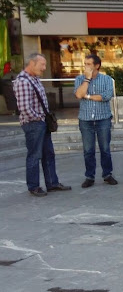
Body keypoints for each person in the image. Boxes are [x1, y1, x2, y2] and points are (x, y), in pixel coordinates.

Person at [14, 53, 71, 197]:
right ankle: (33, 186)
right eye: (42, 64)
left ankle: (52, 182)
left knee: (48, 154)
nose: (44, 68)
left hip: (41, 122)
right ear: (32, 64)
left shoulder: (35, 79)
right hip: (34, 124)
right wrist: (39, 118)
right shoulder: (23, 81)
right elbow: (24, 108)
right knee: (35, 155)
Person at [73, 54, 117, 188]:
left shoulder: (107, 79)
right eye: (85, 63)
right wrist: (86, 79)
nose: (86, 66)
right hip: (85, 119)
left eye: (88, 64)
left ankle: (107, 174)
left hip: (103, 118)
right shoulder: (79, 79)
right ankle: (89, 176)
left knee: (105, 148)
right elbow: (78, 94)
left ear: (97, 66)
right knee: (88, 150)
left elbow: (106, 96)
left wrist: (87, 96)